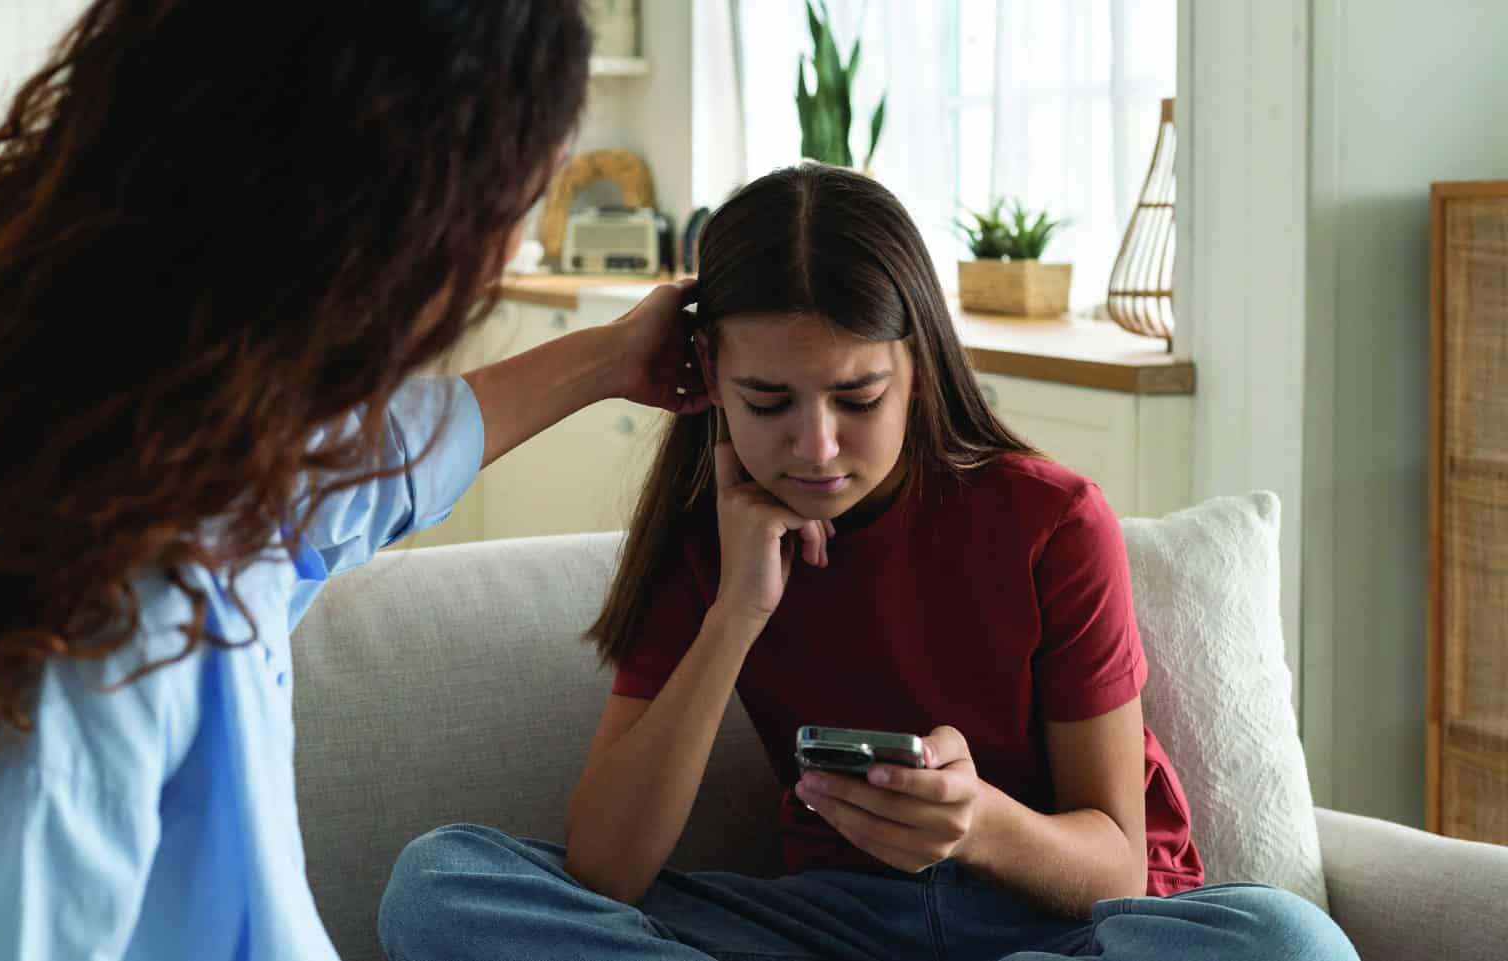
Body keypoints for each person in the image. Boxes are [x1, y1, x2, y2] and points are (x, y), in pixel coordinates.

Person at [0, 2, 708, 958]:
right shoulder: (87, 638)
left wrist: (610, 357)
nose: (511, 247)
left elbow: (360, 476)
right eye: (516, 199)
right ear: (399, 221)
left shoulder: (125, 432)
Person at [378, 164, 1358, 960]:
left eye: (857, 397)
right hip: (829, 926)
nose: (815, 445)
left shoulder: (1050, 522)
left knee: (1285, 940)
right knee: (441, 885)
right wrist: (736, 616)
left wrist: (972, 821)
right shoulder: (706, 536)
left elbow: (1118, 866)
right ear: (709, 375)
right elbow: (603, 869)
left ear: (917, 368)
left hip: (1057, 932)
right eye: (768, 402)